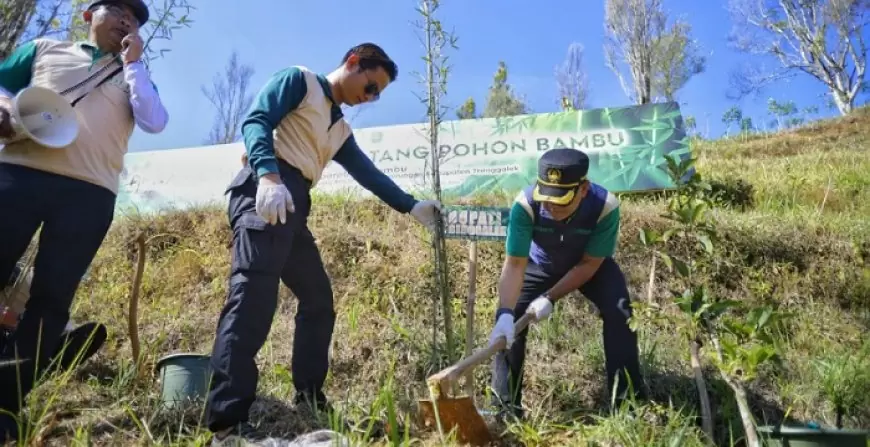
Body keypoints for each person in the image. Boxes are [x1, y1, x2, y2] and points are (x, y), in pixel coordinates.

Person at [204, 43, 442, 445]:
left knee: (318, 299)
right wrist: (267, 175)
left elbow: (369, 174)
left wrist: (411, 206)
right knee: (252, 299)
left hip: (294, 208)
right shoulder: (301, 82)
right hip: (267, 192)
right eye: (370, 86)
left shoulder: (339, 128)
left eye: (377, 94)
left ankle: (309, 397)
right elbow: (256, 119)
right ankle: (227, 424)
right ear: (352, 63)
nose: (371, 98)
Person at [0, 0, 167, 441]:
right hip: (18, 174)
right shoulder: (43, 50)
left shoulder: (134, 76)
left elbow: (154, 120)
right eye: (119, 10)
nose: (129, 19)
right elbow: (1, 82)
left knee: (52, 300)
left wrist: (134, 65)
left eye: (136, 18)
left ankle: (5, 405)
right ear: (89, 15)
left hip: (90, 194)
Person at [487, 148, 647, 419]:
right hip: (539, 264)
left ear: (583, 189)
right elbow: (515, 264)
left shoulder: (605, 206)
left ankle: (626, 404)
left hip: (589, 265)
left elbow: (590, 263)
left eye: (560, 202)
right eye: (545, 199)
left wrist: (550, 297)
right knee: (509, 320)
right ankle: (505, 409)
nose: (550, 207)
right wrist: (504, 312)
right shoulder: (524, 206)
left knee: (621, 311)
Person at [1, 262, 108, 378]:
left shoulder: (33, 281)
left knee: (94, 332)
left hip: (39, 342)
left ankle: (47, 367)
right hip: (12, 344)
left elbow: (56, 325)